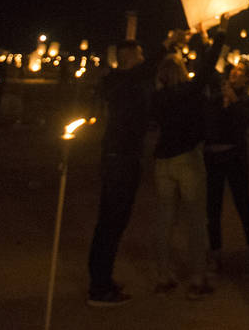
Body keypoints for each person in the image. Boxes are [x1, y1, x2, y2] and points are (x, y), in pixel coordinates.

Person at [87, 33, 170, 306]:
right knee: (110, 223)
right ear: (129, 58)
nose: (144, 59)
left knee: (114, 222)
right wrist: (166, 46)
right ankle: (99, 289)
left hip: (125, 158)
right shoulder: (120, 82)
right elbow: (143, 73)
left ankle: (103, 278)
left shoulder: (126, 82)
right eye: (140, 54)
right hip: (119, 160)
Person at [151, 20, 225, 299]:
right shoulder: (189, 92)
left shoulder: (157, 98)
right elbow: (208, 67)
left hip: (162, 162)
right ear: (182, 71)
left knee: (165, 220)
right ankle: (196, 277)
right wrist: (218, 35)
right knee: (196, 219)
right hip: (188, 160)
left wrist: (169, 45)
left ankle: (163, 274)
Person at [204, 58, 249, 274]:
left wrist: (234, 99)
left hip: (235, 157)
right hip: (214, 157)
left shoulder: (246, 100)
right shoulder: (216, 97)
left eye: (241, 71)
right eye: (235, 69)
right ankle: (215, 252)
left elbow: (247, 120)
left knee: (242, 202)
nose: (235, 72)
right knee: (213, 207)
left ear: (247, 79)